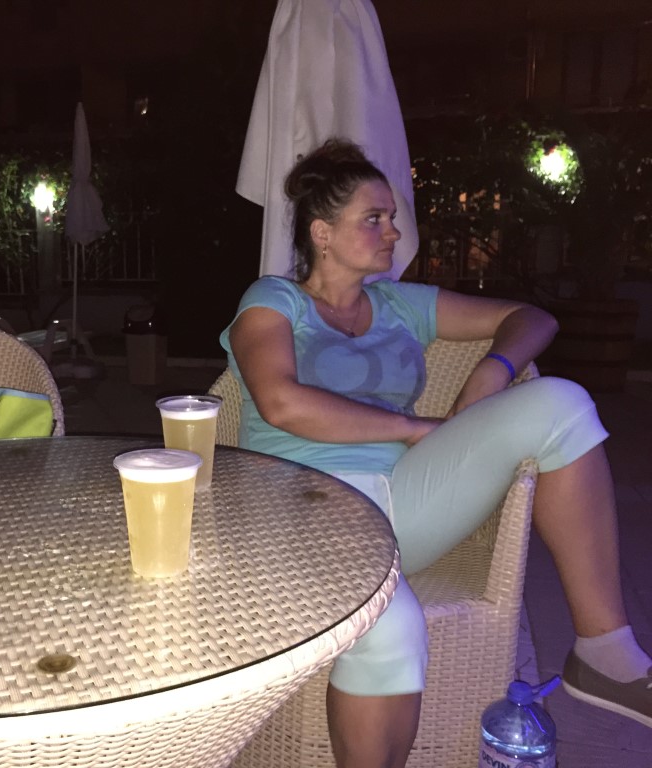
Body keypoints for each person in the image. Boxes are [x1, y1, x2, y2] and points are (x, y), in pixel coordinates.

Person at [220, 138, 652, 767]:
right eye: (374, 218)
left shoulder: (402, 305)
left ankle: (604, 652)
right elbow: (281, 402)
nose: (394, 232)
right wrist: (409, 427)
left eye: (393, 217)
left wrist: (493, 371)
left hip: (404, 500)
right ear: (322, 232)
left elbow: (533, 319)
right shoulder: (274, 299)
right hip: (299, 499)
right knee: (390, 630)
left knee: (563, 403)